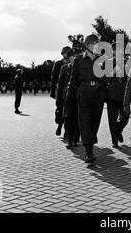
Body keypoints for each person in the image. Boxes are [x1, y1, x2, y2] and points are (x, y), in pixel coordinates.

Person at [66, 33, 106, 164]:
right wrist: (69, 96)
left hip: (97, 94)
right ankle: (89, 153)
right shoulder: (78, 60)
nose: (96, 46)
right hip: (83, 93)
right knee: (85, 122)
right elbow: (73, 79)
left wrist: (101, 86)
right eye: (94, 43)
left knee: (94, 123)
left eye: (97, 43)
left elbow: (107, 78)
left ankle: (90, 144)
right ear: (87, 45)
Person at [106, 42, 130, 149]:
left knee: (125, 116)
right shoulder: (108, 62)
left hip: (124, 92)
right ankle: (114, 140)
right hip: (112, 92)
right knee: (112, 118)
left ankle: (118, 131)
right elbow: (105, 77)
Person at [56, 49, 80, 149]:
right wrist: (58, 100)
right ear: (69, 58)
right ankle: (69, 140)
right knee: (68, 118)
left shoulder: (81, 68)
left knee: (77, 119)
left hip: (79, 97)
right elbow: (60, 85)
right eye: (72, 57)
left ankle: (75, 139)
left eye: (76, 57)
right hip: (67, 97)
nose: (74, 59)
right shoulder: (64, 68)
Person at [50, 46, 72, 136]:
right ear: (62, 53)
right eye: (65, 52)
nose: (66, 54)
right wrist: (52, 91)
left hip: (70, 90)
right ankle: (59, 124)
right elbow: (54, 78)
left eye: (68, 52)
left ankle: (67, 130)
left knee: (68, 112)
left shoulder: (73, 63)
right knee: (59, 110)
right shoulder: (58, 64)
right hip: (60, 90)